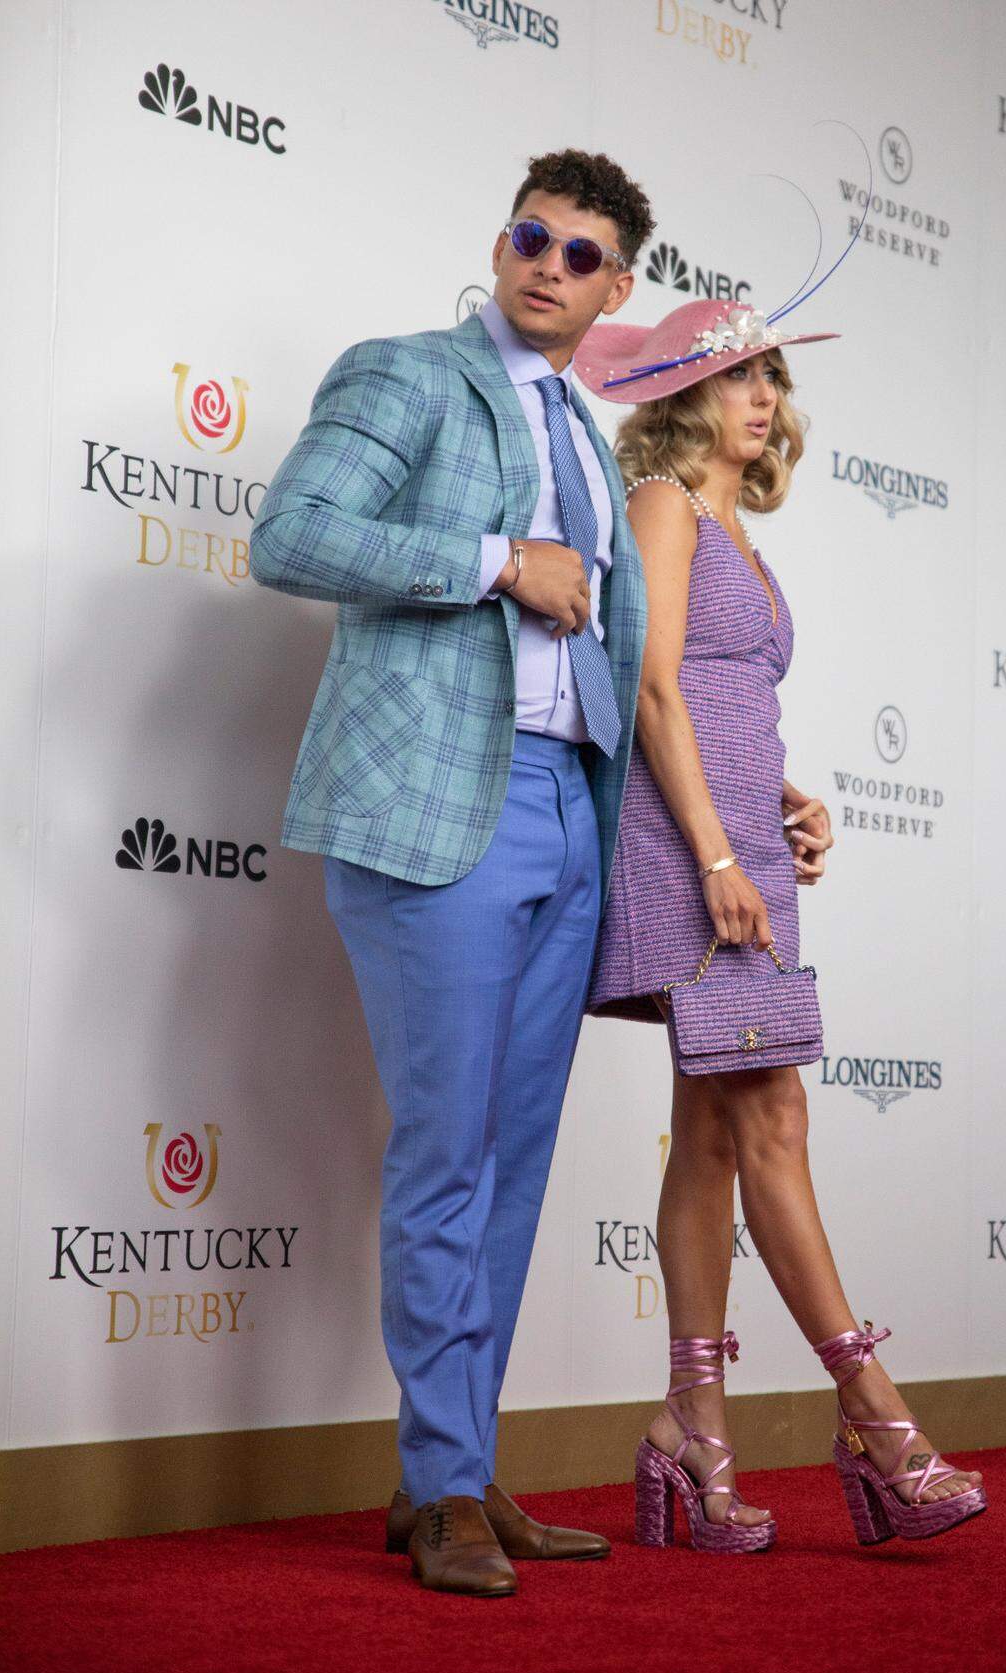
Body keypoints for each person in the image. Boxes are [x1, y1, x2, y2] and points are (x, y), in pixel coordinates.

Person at [250, 149, 653, 1596]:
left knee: (515, 1164)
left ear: (617, 287)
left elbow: (608, 649)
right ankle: (439, 1488)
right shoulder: (410, 373)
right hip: (438, 814)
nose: (551, 263)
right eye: (533, 236)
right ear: (501, 243)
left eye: (584, 252)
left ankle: (464, 1473)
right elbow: (290, 536)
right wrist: (494, 557)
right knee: (446, 1152)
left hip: (565, 814)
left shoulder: (595, 439)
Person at [575, 299, 988, 1550]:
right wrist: (710, 848)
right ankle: (874, 1416)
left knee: (711, 1138)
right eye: (742, 377)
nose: (766, 398)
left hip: (749, 849)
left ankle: (688, 1435)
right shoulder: (662, 505)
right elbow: (650, 688)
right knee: (775, 1116)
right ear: (691, 397)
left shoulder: (739, 533)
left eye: (771, 378)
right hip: (685, 854)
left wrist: (785, 807)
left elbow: (722, 693)